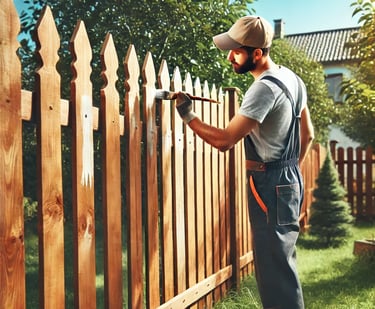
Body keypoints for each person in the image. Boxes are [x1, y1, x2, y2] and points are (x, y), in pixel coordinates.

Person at [174, 16, 314, 309]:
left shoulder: (264, 89)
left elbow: (225, 140)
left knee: (274, 274)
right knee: (282, 266)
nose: (230, 57)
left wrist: (188, 115)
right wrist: (288, 173)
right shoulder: (293, 79)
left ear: (257, 53)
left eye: (236, 51)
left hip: (269, 181)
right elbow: (309, 135)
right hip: (287, 178)